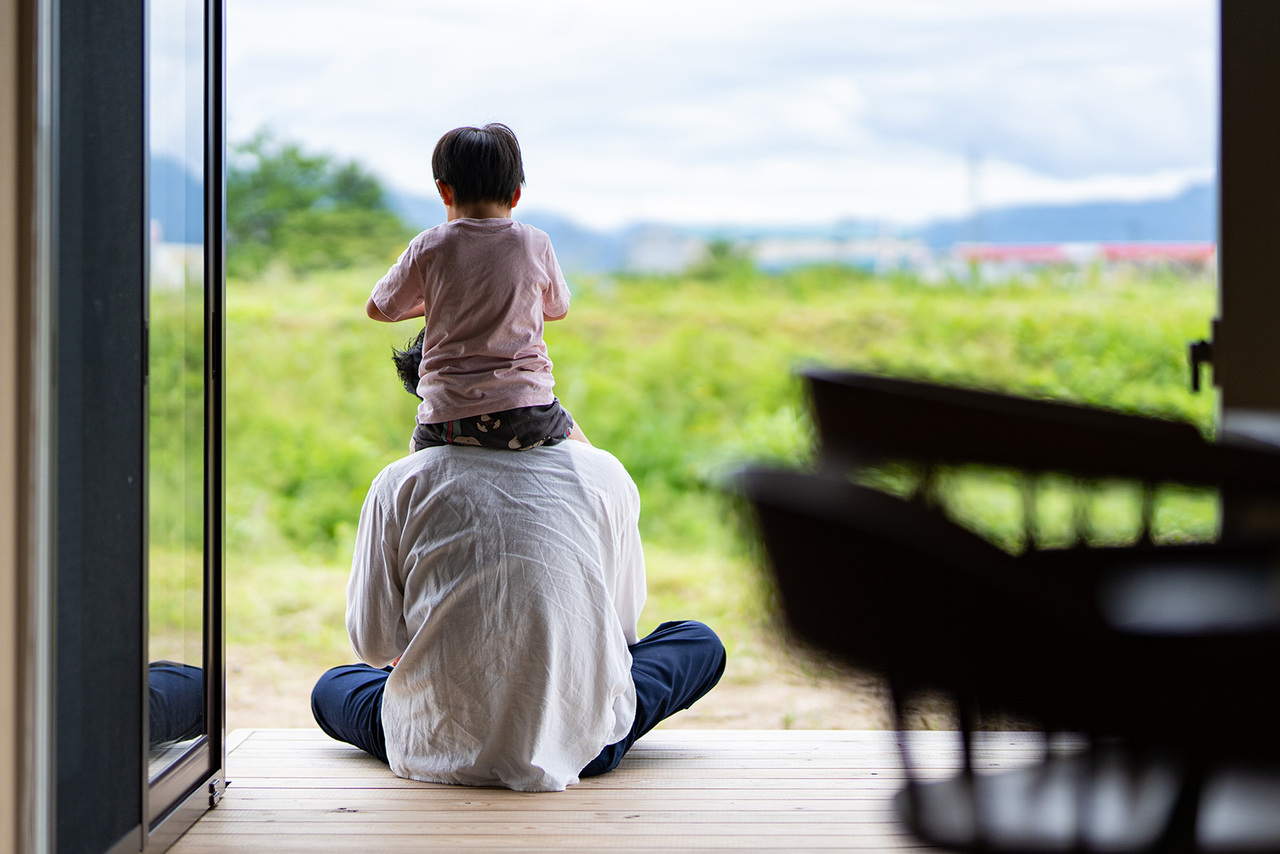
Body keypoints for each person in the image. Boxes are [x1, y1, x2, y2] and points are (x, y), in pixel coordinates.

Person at [309, 349, 726, 791]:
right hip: (585, 745)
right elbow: (621, 630)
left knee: (334, 686)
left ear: (427, 396)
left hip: (433, 745)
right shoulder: (604, 472)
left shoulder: (399, 482)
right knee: (697, 641)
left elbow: (374, 646)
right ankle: (551, 727)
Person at [366, 122, 586, 453]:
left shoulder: (429, 245)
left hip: (445, 416)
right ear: (516, 194)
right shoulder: (535, 243)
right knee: (593, 457)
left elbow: (379, 310)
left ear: (444, 191)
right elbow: (558, 310)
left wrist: (438, 303)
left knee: (411, 464)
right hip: (528, 411)